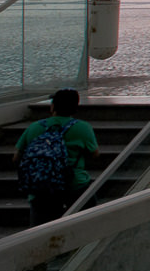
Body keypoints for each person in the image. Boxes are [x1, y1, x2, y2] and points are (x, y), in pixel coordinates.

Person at [15, 88, 100, 225]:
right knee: (88, 224)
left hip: (42, 185)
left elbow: (16, 157)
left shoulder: (34, 127)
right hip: (74, 183)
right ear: (75, 107)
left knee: (42, 231)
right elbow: (95, 154)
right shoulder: (83, 128)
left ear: (53, 106)